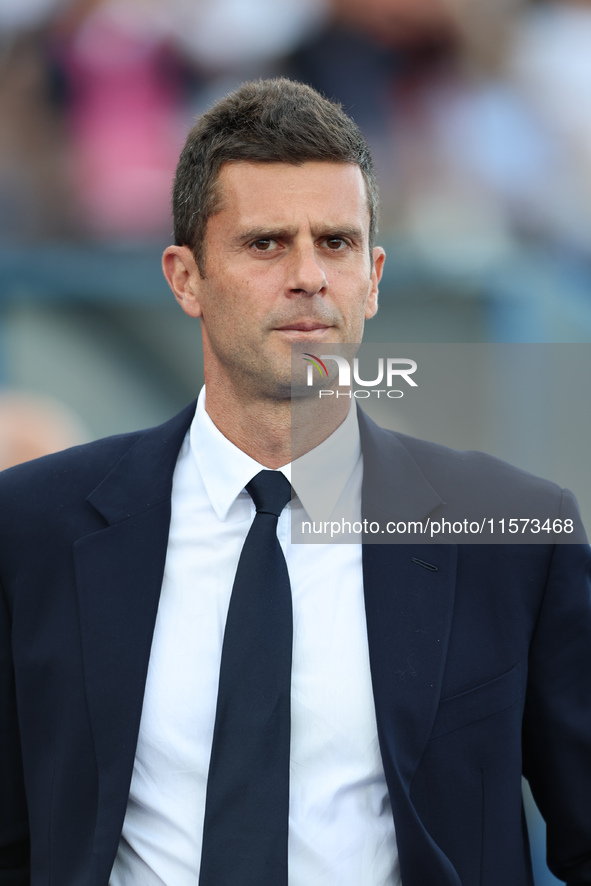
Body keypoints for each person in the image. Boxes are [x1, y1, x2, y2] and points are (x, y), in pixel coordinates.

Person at [1, 78, 590, 886]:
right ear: (184, 277)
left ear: (374, 277)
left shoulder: (512, 533)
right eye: (266, 243)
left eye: (337, 243)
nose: (309, 274)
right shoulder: (33, 526)